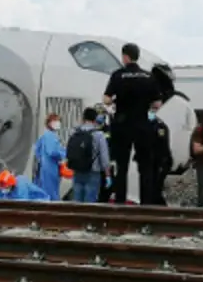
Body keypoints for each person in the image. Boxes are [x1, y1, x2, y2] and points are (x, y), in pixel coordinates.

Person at [103, 43, 161, 204]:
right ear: (137, 56)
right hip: (143, 126)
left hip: (122, 125)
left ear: (125, 57)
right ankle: (146, 203)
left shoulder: (117, 75)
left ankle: (120, 202)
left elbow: (106, 99)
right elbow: (157, 104)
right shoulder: (149, 77)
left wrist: (115, 100)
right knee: (145, 167)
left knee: (122, 167)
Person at [66, 107, 111, 203]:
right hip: (93, 172)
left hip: (77, 171)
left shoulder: (75, 132)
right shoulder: (99, 135)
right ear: (95, 119)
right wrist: (107, 175)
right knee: (90, 203)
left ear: (83, 118)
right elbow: (104, 158)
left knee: (77, 201)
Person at [142, 103, 174, 205]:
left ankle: (159, 208)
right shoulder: (143, 124)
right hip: (146, 161)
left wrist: (164, 162)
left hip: (159, 162)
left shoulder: (160, 126)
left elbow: (163, 145)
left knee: (155, 188)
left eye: (154, 109)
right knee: (147, 188)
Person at [32, 113, 67, 199]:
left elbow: (37, 150)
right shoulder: (50, 136)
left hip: (45, 168)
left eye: (59, 121)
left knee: (44, 192)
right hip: (50, 168)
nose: (58, 123)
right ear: (49, 123)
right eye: (55, 121)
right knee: (51, 194)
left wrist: (42, 159)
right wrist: (63, 153)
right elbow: (52, 152)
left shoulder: (45, 135)